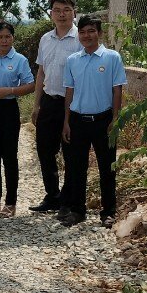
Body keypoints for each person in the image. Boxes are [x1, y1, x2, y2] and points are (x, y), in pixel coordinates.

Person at [61, 15, 127, 227]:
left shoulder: (112, 57)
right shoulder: (72, 60)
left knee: (107, 168)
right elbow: (69, 92)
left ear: (99, 33)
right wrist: (66, 122)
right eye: (82, 32)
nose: (86, 35)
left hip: (103, 120)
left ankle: (108, 212)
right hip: (77, 120)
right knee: (76, 168)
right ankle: (77, 211)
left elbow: (117, 90)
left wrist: (115, 119)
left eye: (91, 31)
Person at [30, 0, 81, 213]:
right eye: (57, 10)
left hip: (73, 104)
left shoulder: (80, 38)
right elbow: (41, 72)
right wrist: (36, 104)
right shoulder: (45, 39)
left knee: (71, 153)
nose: (62, 14)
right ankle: (52, 196)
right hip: (49, 102)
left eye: (66, 10)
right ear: (51, 14)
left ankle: (68, 201)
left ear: (74, 13)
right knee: (44, 150)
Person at [0, 21, 36, 217]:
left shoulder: (19, 59)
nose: (4, 40)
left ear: (13, 38)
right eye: (0, 37)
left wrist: (10, 90)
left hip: (8, 109)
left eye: (8, 37)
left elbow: (31, 85)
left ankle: (10, 203)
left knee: (10, 157)